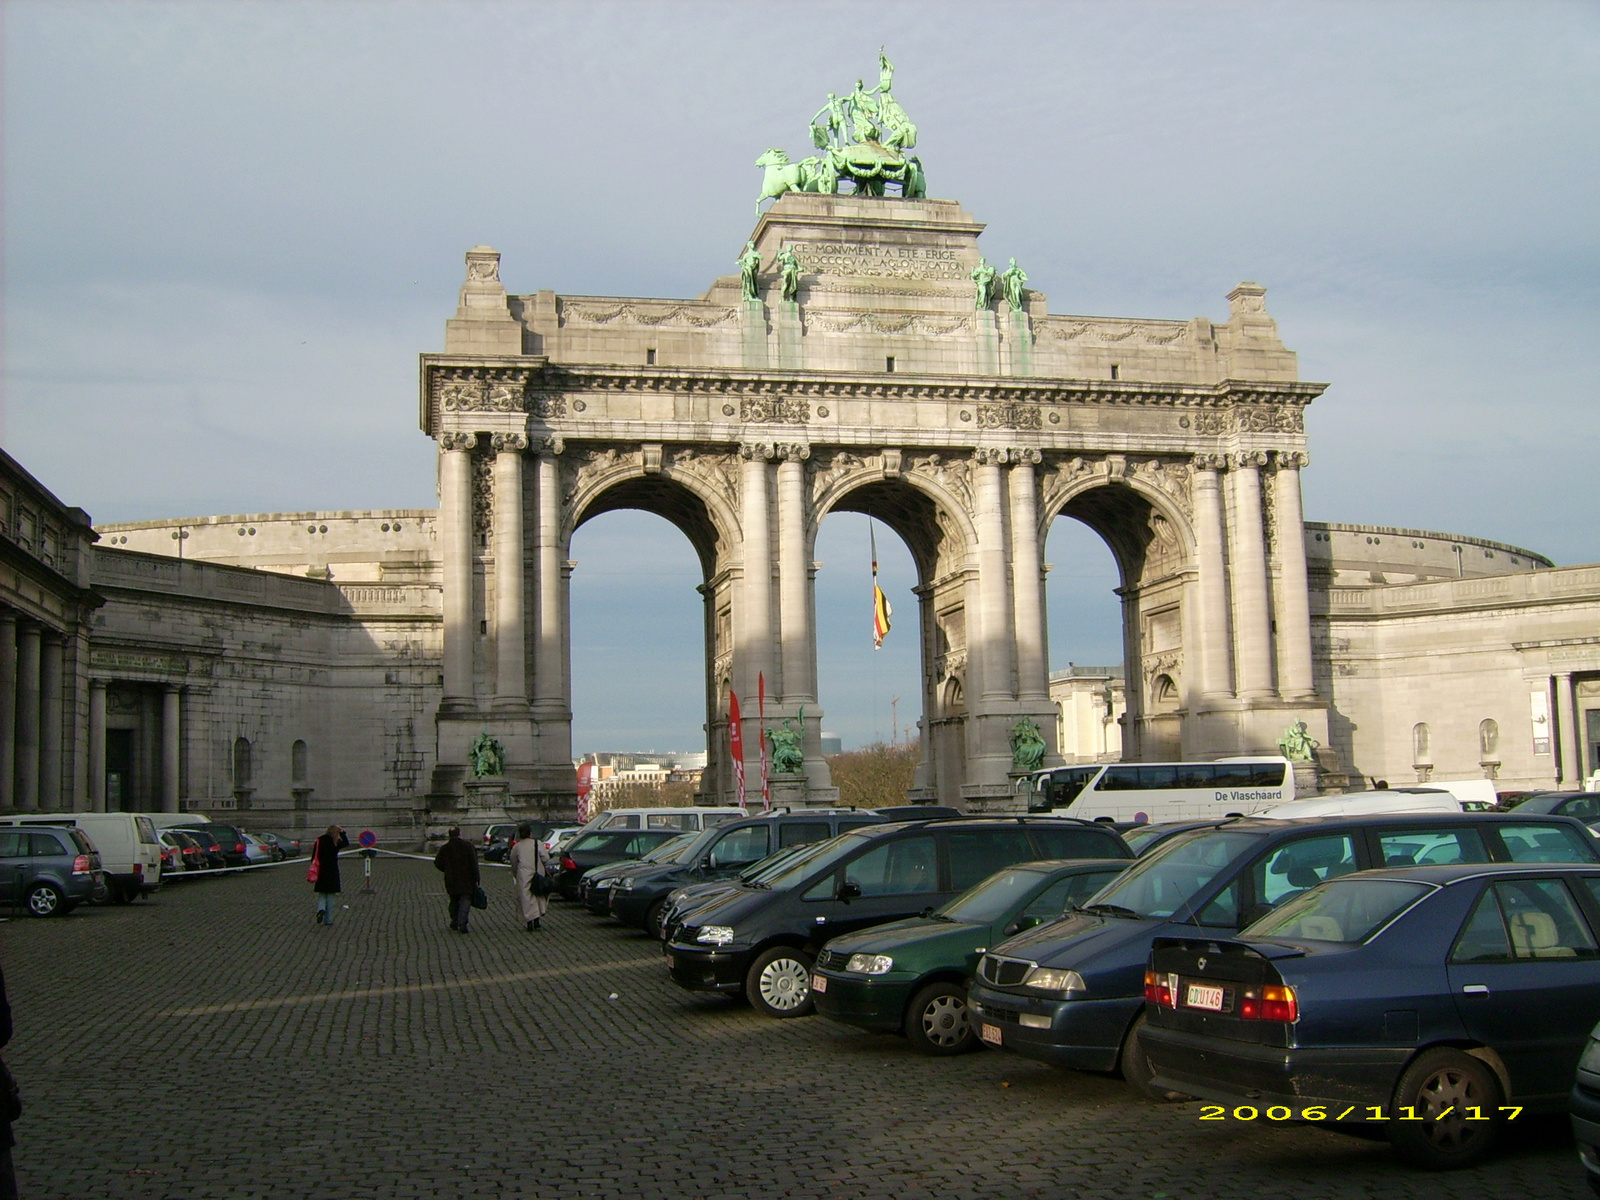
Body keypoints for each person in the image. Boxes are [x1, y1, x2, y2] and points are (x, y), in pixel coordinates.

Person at [433, 826, 480, 933]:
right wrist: (477, 877)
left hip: (451, 879)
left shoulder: (445, 848)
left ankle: (455, 921)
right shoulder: (468, 846)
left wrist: (446, 870)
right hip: (466, 878)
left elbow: (437, 863)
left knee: (454, 900)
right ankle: (462, 922)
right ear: (459, 834)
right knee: (465, 899)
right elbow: (474, 863)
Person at [510, 822, 551, 932]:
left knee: (526, 898)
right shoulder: (538, 844)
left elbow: (513, 862)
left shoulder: (517, 847)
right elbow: (546, 859)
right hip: (537, 873)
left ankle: (529, 921)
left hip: (523, 875)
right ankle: (537, 920)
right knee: (538, 896)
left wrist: (516, 873)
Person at [310, 825, 349, 925]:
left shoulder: (319, 840)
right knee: (330, 895)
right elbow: (346, 843)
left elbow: (314, 855)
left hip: (321, 870)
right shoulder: (335, 842)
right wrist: (342, 833)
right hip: (332, 871)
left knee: (322, 893)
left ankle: (321, 909)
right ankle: (328, 920)